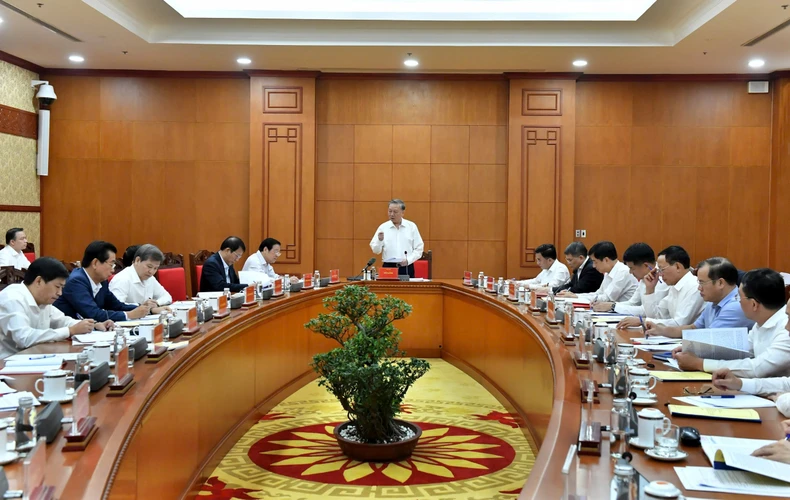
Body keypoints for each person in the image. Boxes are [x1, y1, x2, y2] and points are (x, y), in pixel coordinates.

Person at [673, 269, 789, 376]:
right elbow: (742, 349)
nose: (737, 302)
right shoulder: (761, 322)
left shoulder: (786, 329)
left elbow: (757, 367)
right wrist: (695, 349)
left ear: (754, 304)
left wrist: (699, 364)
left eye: (739, 297)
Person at [0, 257, 109, 359]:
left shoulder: (43, 300)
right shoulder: (12, 299)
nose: (60, 293)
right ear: (39, 281)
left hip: (35, 358)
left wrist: (92, 325)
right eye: (57, 287)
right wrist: (69, 331)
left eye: (62, 288)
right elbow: (24, 338)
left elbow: (63, 321)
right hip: (8, 364)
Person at [711, 299, 790, 414]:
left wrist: (781, 399)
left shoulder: (783, 332)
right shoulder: (759, 324)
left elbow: (758, 368)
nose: (787, 327)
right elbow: (787, 384)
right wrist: (739, 383)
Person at [646, 257, 754, 338]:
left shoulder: (736, 306)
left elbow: (708, 338)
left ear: (720, 283)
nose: (699, 288)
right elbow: (693, 328)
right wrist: (661, 330)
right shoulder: (713, 301)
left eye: (702, 283)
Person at [53, 241, 149, 322]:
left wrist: (144, 309)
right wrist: (129, 315)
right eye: (111, 264)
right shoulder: (76, 281)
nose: (113, 270)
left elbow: (116, 306)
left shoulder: (102, 281)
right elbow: (93, 314)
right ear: (95, 263)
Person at [618, 246, 703, 329]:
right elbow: (655, 316)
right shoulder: (674, 287)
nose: (660, 275)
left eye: (662, 269)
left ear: (677, 267)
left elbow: (679, 324)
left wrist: (643, 321)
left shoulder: (694, 287)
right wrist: (650, 290)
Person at [594, 242, 668, 315]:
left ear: (645, 266)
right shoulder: (644, 277)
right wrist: (611, 305)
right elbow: (632, 303)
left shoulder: (661, 279)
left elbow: (646, 311)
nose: (630, 272)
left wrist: (613, 306)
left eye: (632, 268)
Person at [559, 241, 637, 303]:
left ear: (606, 260)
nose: (593, 266)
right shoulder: (608, 272)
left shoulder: (623, 272)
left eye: (595, 262)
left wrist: (576, 296)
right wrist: (575, 296)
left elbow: (607, 298)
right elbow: (598, 293)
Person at [369, 199, 424, 278]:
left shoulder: (411, 227)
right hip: (388, 268)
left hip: (406, 266)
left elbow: (419, 248)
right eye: (390, 211)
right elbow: (376, 251)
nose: (392, 214)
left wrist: (408, 260)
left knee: (407, 286)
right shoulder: (383, 227)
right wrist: (379, 240)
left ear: (402, 213)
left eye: (395, 212)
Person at [109, 244, 172, 312]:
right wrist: (145, 307)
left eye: (155, 268)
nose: (151, 272)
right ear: (137, 260)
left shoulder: (150, 278)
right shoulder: (122, 279)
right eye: (149, 266)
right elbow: (116, 307)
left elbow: (167, 296)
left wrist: (156, 303)